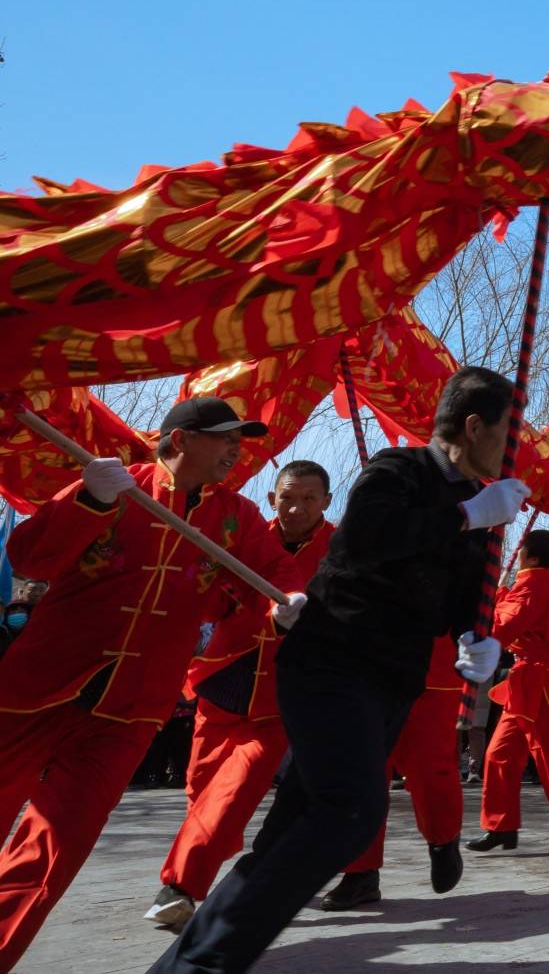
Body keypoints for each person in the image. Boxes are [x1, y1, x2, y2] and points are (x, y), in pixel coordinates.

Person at [144, 365, 526, 974]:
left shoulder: (479, 506)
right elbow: (374, 535)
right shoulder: (397, 471)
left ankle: (182, 963)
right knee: (350, 809)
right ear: (474, 426)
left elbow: (459, 597)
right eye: (510, 432)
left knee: (294, 828)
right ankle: (205, 965)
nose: (515, 449)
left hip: (392, 681)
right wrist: (468, 516)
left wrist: (476, 640)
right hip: (333, 661)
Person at [0, 399, 299, 971]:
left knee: (54, 851)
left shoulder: (236, 517)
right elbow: (30, 558)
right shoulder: (114, 483)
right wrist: (89, 501)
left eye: (241, 440)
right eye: (224, 438)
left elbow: (275, 579)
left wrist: (288, 609)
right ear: (181, 440)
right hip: (34, 691)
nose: (237, 450)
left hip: (131, 712)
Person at [145, 462, 336, 934]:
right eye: (288, 497)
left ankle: (181, 889)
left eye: (309, 498)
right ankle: (208, 851)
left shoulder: (342, 550)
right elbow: (208, 600)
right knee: (201, 787)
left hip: (285, 693)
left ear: (327, 502)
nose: (297, 508)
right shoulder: (243, 534)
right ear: (273, 498)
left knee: (234, 790)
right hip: (224, 677)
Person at [322, 628, 467, 911]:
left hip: (431, 664)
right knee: (364, 772)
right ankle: (360, 871)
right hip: (369, 664)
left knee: (430, 770)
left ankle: (443, 839)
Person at [471, 529, 549, 854]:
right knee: (500, 754)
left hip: (542, 679)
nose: (519, 550)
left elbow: (500, 628)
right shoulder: (534, 585)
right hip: (528, 677)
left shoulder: (533, 587)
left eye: (523, 548)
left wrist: (494, 601)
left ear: (533, 556)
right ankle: (500, 826)